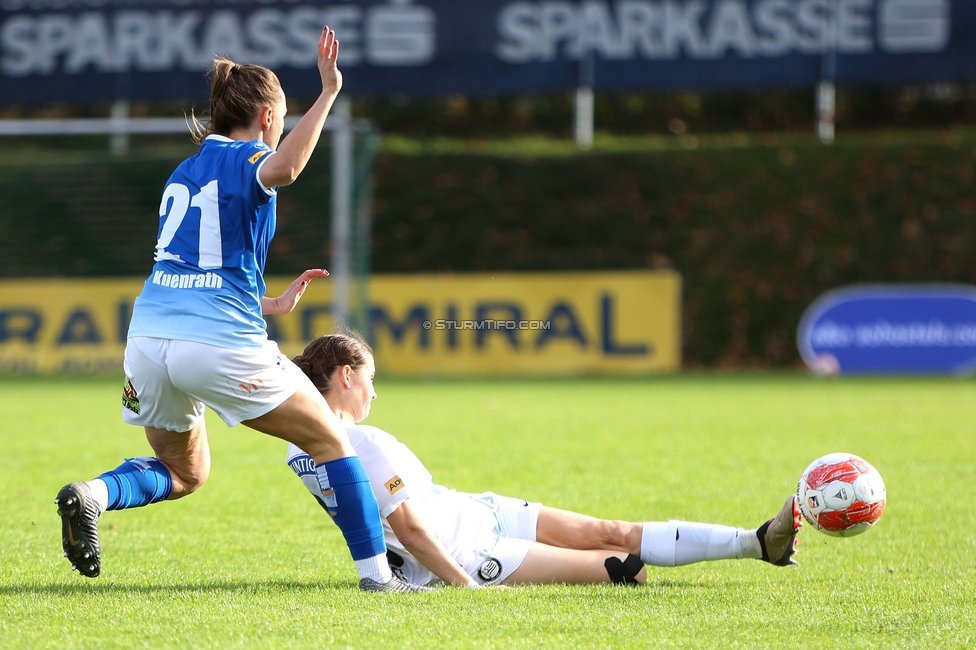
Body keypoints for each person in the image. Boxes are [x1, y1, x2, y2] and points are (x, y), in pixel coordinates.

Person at [55, 28, 424, 593]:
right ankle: (379, 579)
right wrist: (328, 93)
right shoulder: (250, 157)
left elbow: (197, 265)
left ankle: (92, 495)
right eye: (280, 115)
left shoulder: (184, 172)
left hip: (149, 341)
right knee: (331, 440)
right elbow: (287, 169)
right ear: (267, 115)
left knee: (185, 472)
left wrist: (269, 302)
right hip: (220, 344)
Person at [286, 334, 803, 588]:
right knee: (628, 569)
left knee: (611, 528)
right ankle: (754, 545)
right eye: (371, 379)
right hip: (467, 552)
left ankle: (758, 542)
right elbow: (413, 532)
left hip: (477, 508)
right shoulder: (364, 444)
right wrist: (464, 588)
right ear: (346, 375)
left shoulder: (297, 447)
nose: (376, 393)